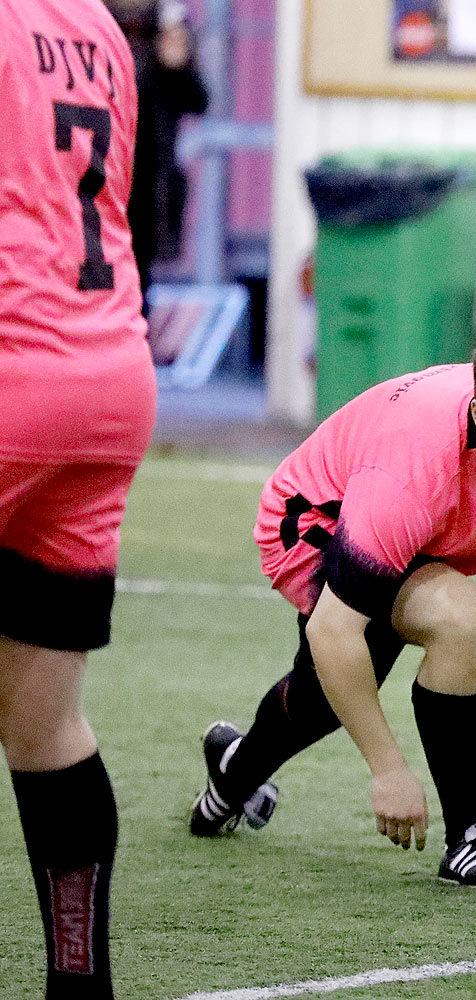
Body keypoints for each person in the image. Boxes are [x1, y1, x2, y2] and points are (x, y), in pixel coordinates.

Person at [188, 325, 476, 888]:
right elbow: (334, 632)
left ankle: (466, 834)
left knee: (332, 691)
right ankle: (240, 776)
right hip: (317, 520)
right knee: (387, 654)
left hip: (422, 529)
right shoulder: (409, 474)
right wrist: (387, 769)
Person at [1, 0, 154, 994]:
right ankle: (77, 984)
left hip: (12, 365)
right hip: (107, 378)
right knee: (46, 724)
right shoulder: (96, 25)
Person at [106, 0, 208, 302]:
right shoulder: (93, 20)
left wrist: (177, 65)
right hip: (100, 172)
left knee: (138, 282)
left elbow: (198, 99)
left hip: (150, 182)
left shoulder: (167, 21)